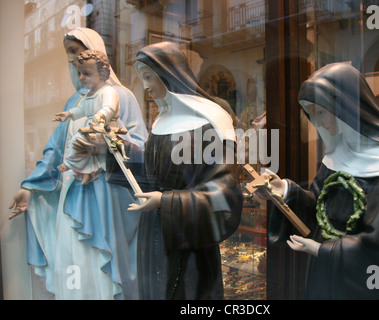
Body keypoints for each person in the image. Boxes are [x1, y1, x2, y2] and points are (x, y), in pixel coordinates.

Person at [260, 63, 379, 299]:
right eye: (311, 113)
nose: (318, 122)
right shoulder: (337, 156)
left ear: (347, 109)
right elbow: (319, 206)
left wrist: (321, 250)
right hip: (323, 277)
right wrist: (284, 190)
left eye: (321, 112)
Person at [8, 28, 148, 300]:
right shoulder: (75, 101)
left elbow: (141, 150)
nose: (73, 59)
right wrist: (31, 186)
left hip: (106, 195)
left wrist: (104, 147)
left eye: (76, 50)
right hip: (72, 192)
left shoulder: (121, 96)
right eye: (69, 53)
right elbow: (55, 150)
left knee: (102, 262)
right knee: (74, 260)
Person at [123, 42, 243, 300]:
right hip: (154, 233)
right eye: (141, 78)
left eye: (148, 77)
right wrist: (116, 149)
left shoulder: (211, 120)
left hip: (190, 244)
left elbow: (224, 194)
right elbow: (157, 171)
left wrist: (165, 202)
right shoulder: (161, 120)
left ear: (168, 74)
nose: (145, 86)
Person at [53, 50, 122, 185]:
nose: (81, 77)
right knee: (81, 144)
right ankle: (85, 172)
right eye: (79, 73)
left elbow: (109, 108)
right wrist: (68, 114)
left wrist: (99, 117)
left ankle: (68, 164)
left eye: (87, 74)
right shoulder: (89, 94)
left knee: (77, 141)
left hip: (104, 128)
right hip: (93, 127)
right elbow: (81, 109)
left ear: (102, 74)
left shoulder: (108, 91)